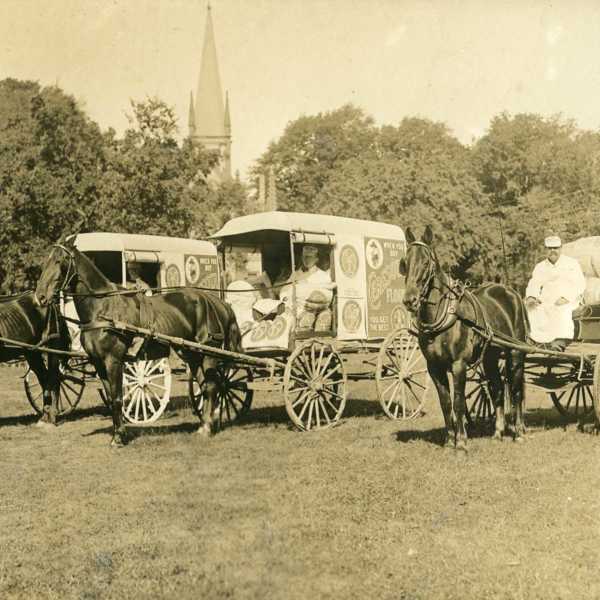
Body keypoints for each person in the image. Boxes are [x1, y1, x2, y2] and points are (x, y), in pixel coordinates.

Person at [525, 235, 586, 351]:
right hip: (547, 299)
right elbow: (534, 283)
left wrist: (566, 298)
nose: (553, 251)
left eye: (555, 248)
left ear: (561, 248)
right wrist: (532, 297)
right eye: (549, 248)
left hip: (568, 299)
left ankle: (559, 342)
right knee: (532, 309)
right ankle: (536, 340)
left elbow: (579, 284)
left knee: (562, 310)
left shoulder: (571, 263)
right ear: (545, 250)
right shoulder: (540, 267)